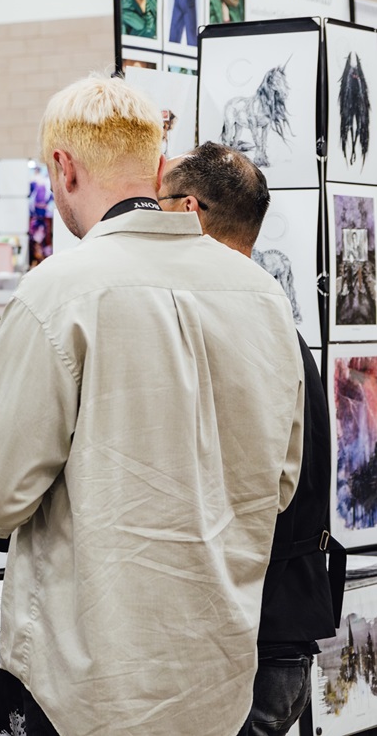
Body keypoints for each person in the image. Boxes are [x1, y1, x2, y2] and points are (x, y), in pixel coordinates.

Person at [0, 75, 304, 736]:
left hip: (89, 691)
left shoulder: (60, 292)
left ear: (63, 166)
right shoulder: (262, 295)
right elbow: (280, 484)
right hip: (219, 681)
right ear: (158, 163)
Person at [159, 141, 340, 736]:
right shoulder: (272, 323)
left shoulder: (229, 326)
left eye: (157, 203)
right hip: (279, 634)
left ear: (188, 210)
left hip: (250, 646)